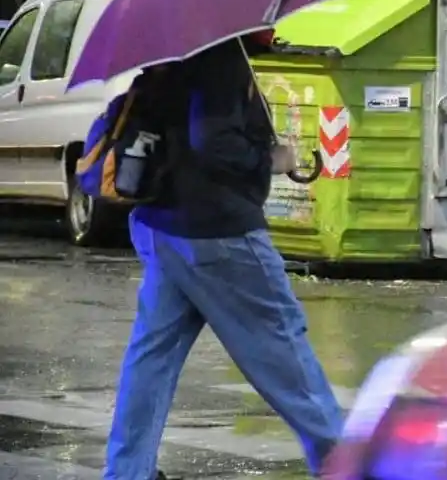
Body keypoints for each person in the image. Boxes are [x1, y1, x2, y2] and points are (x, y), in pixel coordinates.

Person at [104, 38, 343, 480]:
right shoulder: (220, 56)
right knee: (284, 351)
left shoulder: (171, 54)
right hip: (218, 232)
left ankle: (127, 471)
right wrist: (271, 159)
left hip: (162, 226)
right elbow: (212, 140)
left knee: (153, 358)